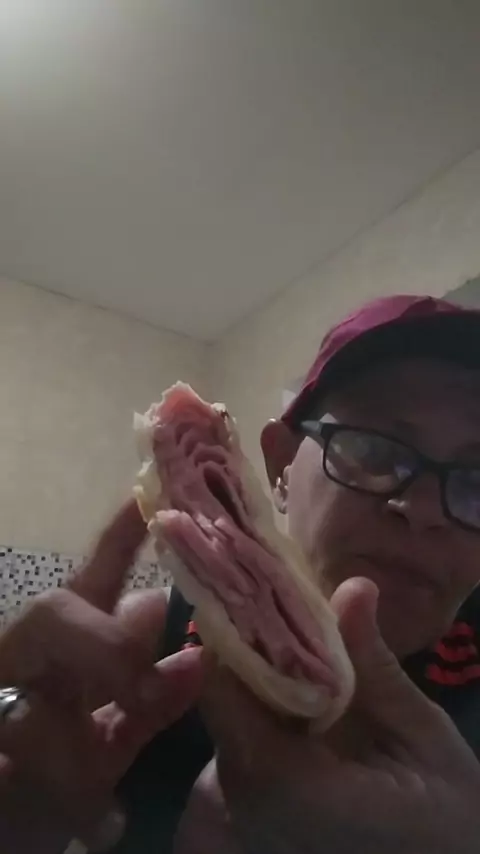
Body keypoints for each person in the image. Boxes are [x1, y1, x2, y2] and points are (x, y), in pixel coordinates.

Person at [1, 293, 480, 853]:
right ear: (280, 465)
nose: (422, 510)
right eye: (376, 451)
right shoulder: (143, 648)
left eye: (476, 481)